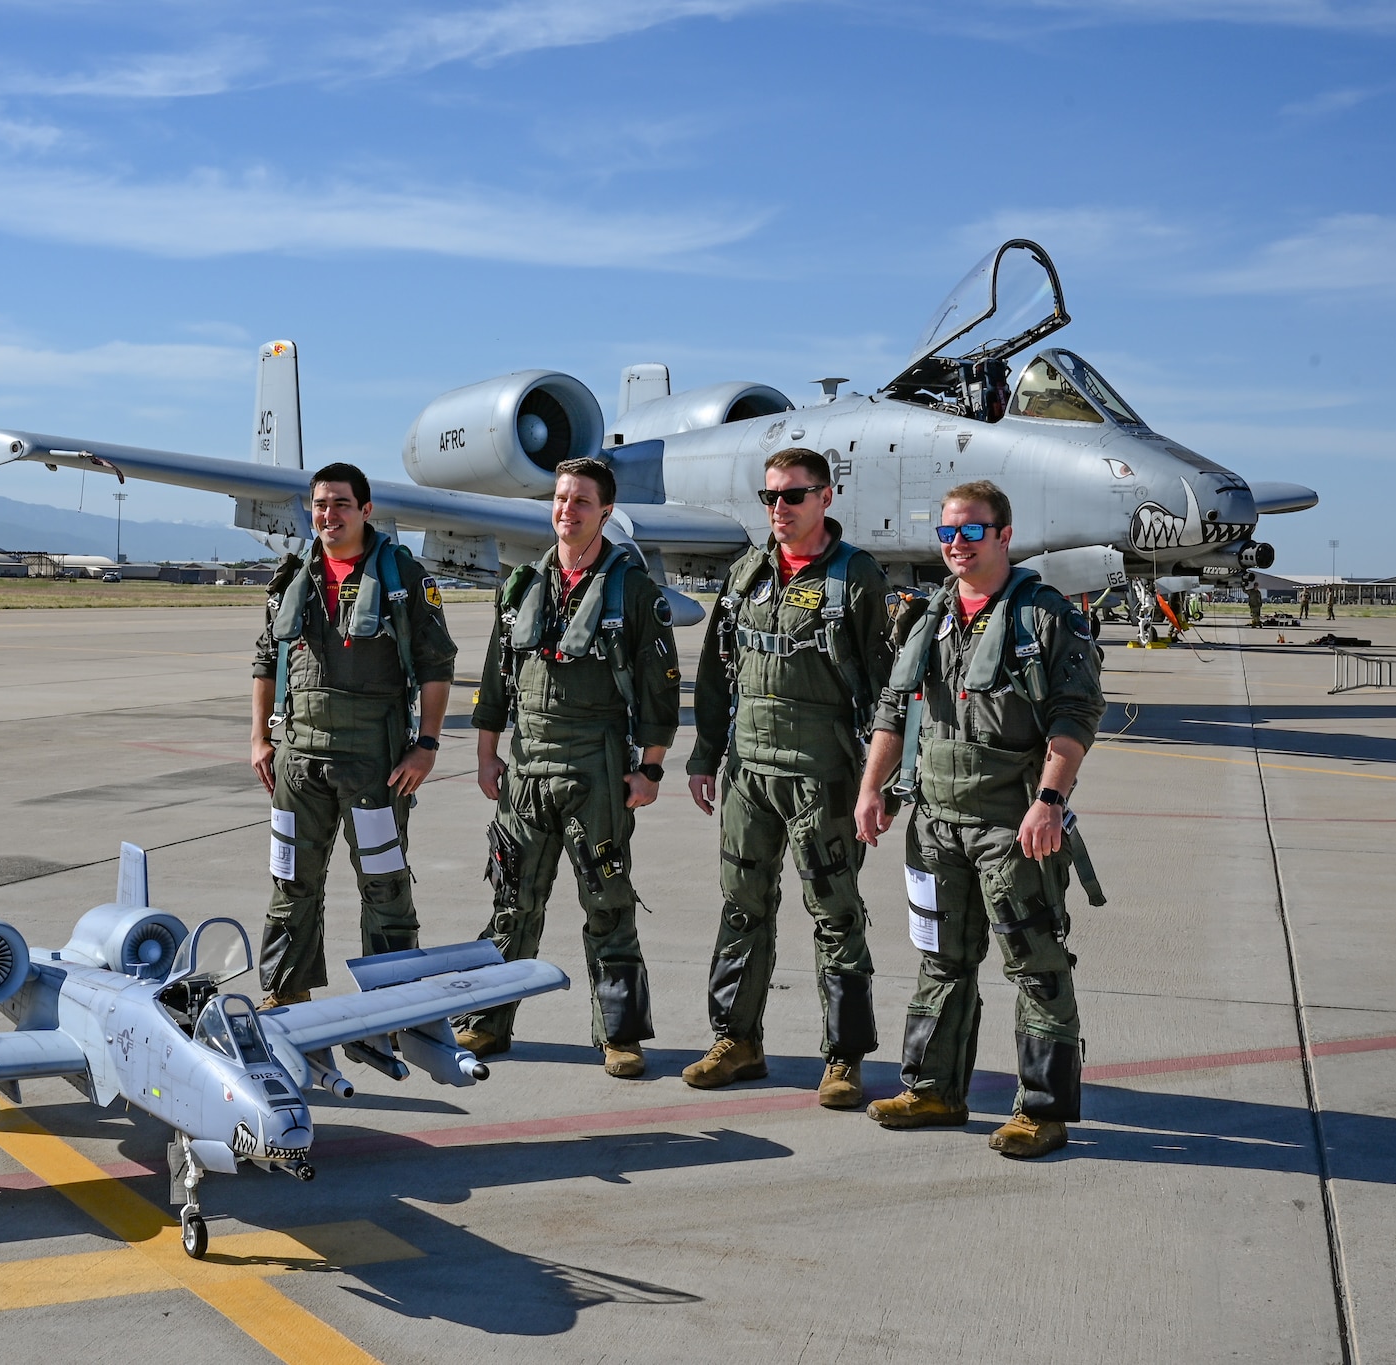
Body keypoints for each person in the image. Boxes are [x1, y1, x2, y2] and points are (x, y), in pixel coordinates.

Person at [854, 479, 1106, 1158]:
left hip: (1011, 826)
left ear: (1003, 535)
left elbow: (1074, 715)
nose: (956, 544)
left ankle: (1042, 1111)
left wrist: (1049, 801)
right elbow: (892, 708)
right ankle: (934, 1089)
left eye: (971, 530)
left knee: (1035, 963)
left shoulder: (1043, 617)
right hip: (935, 823)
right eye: (947, 532)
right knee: (940, 958)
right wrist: (871, 789)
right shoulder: (928, 617)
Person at [455, 458, 680, 1078]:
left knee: (607, 904)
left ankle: (619, 1036)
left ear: (605, 512)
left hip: (596, 767)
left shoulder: (632, 590)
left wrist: (651, 768)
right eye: (560, 499)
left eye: (581, 501)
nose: (567, 510)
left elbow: (662, 689)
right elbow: (496, 674)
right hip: (524, 769)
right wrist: (485, 753)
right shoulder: (522, 584)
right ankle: (485, 1023)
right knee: (511, 902)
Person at [681, 449, 893, 1106]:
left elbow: (890, 690)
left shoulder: (856, 577)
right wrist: (704, 754)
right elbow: (718, 674)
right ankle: (737, 1041)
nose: (779, 508)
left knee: (836, 916)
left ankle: (844, 1056)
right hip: (749, 774)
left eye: (793, 495)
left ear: (825, 497)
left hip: (823, 775)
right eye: (769, 496)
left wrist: (878, 782)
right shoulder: (746, 573)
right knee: (742, 908)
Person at [251, 463, 457, 1008]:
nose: (328, 514)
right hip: (298, 761)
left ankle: (392, 1000)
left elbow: (438, 666)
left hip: (375, 760)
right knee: (290, 880)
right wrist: (260, 737)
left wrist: (427, 744)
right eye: (320, 504)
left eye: (341, 504)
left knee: (384, 884)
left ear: (366, 510)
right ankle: (286, 991)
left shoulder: (404, 580)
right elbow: (266, 660)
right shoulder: (292, 577)